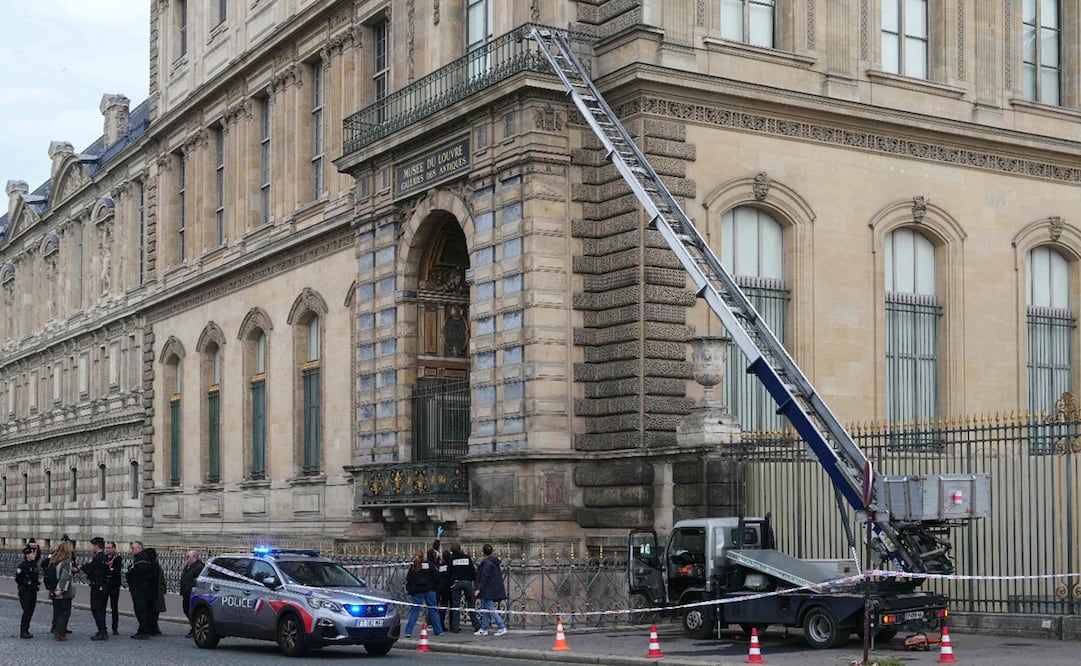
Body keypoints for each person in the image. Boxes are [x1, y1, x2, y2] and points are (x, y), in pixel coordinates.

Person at [403, 549, 443, 638]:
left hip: (417, 591)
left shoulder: (413, 566)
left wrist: (411, 590)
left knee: (414, 611)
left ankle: (408, 631)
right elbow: (436, 576)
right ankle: (438, 630)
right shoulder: (429, 564)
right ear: (423, 556)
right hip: (429, 589)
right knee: (433, 610)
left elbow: (409, 579)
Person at [474, 543, 507, 636]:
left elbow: (484, 577)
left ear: (483, 552)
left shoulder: (487, 564)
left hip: (488, 589)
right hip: (492, 588)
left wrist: (478, 588)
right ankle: (484, 628)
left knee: (490, 609)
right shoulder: (494, 562)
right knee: (485, 608)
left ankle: (501, 626)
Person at [448, 543, 481, 633]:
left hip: (456, 582)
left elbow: (449, 572)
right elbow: (472, 571)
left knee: (456, 606)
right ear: (460, 549)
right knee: (471, 604)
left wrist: (450, 583)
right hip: (467, 581)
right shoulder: (467, 558)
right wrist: (475, 582)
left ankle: (455, 627)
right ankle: (476, 625)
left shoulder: (452, 559)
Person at [83, 536, 110, 640]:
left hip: (97, 587)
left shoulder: (98, 558)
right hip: (103, 586)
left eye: (93, 546)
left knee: (96, 609)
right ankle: (102, 630)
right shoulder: (105, 557)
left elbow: (89, 569)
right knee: (101, 610)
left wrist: (82, 568)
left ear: (96, 546)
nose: (92, 548)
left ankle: (102, 631)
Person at [49, 540, 75, 641]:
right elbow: (64, 577)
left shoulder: (54, 560)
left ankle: (56, 629)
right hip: (63, 592)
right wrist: (60, 590)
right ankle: (60, 633)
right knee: (65, 612)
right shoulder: (66, 562)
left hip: (53, 589)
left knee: (57, 612)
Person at [126, 541, 152, 639]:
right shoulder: (139, 558)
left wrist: (131, 569)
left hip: (140, 588)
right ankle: (142, 630)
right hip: (138, 588)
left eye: (133, 548)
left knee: (140, 610)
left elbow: (139, 571)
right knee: (139, 610)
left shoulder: (142, 558)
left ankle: (144, 631)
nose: (132, 550)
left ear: (139, 548)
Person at [15, 543, 40, 639]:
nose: (34, 555)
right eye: (32, 554)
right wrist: (26, 582)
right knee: (27, 611)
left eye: (34, 554)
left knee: (31, 611)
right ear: (27, 555)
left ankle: (26, 629)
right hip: (25, 591)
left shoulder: (34, 564)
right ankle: (23, 631)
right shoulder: (22, 566)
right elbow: (18, 579)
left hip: (33, 590)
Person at [179, 550, 205, 638]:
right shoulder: (188, 566)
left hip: (192, 593)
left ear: (194, 557)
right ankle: (194, 627)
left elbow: (198, 581)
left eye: (188, 556)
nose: (186, 558)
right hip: (186, 592)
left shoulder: (199, 567)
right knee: (186, 609)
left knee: (191, 611)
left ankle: (194, 628)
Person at [104, 540, 123, 635]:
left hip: (114, 585)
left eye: (109, 548)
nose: (107, 550)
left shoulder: (118, 558)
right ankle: (102, 627)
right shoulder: (103, 557)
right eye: (106, 548)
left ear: (114, 548)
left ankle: (114, 627)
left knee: (114, 607)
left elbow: (115, 571)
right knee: (102, 606)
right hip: (105, 585)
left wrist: (109, 571)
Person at [146, 547, 165, 635]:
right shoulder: (155, 565)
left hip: (154, 593)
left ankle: (152, 629)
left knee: (152, 612)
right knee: (153, 612)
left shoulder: (154, 566)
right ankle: (154, 628)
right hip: (155, 593)